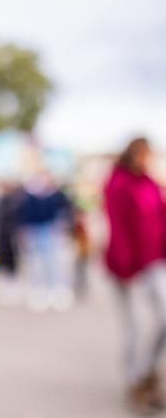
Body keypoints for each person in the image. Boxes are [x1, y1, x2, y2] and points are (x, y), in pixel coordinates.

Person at [104, 137, 166, 414]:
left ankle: (148, 370)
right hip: (128, 268)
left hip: (154, 262)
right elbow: (118, 228)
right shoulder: (118, 184)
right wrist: (126, 267)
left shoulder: (149, 183)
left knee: (163, 318)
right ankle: (135, 381)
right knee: (137, 326)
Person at [19, 172, 73, 311]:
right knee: (36, 263)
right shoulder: (29, 196)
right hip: (36, 231)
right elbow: (24, 215)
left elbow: (66, 211)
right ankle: (39, 292)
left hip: (52, 231)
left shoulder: (58, 195)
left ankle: (58, 291)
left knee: (55, 264)